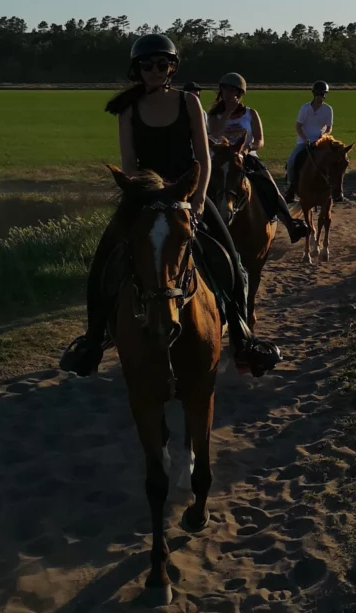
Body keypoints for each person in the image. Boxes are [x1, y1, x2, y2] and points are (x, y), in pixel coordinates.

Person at [59, 35, 282, 378]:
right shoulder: (128, 109)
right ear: (138, 69)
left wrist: (195, 200)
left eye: (161, 64)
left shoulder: (189, 102)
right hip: (145, 198)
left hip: (188, 192)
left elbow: (204, 159)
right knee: (103, 261)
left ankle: (242, 338)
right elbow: (129, 163)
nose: (154, 71)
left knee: (231, 262)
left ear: (171, 67)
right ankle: (92, 340)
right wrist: (149, 194)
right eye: (147, 65)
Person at [207, 73, 308, 239]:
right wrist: (227, 112)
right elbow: (216, 133)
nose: (227, 93)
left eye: (231, 90)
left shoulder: (251, 114)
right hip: (221, 157)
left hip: (247, 156)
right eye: (224, 89)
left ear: (239, 93)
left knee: (269, 184)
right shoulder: (214, 115)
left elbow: (260, 141)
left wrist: (248, 148)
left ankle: (290, 223)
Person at [285, 82, 334, 202]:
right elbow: (298, 126)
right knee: (292, 160)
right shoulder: (305, 108)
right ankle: (291, 188)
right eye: (318, 94)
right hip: (304, 142)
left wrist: (324, 135)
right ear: (313, 94)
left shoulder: (328, 109)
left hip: (320, 142)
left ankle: (335, 187)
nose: (320, 97)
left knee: (336, 160)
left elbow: (329, 128)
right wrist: (304, 139)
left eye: (322, 94)